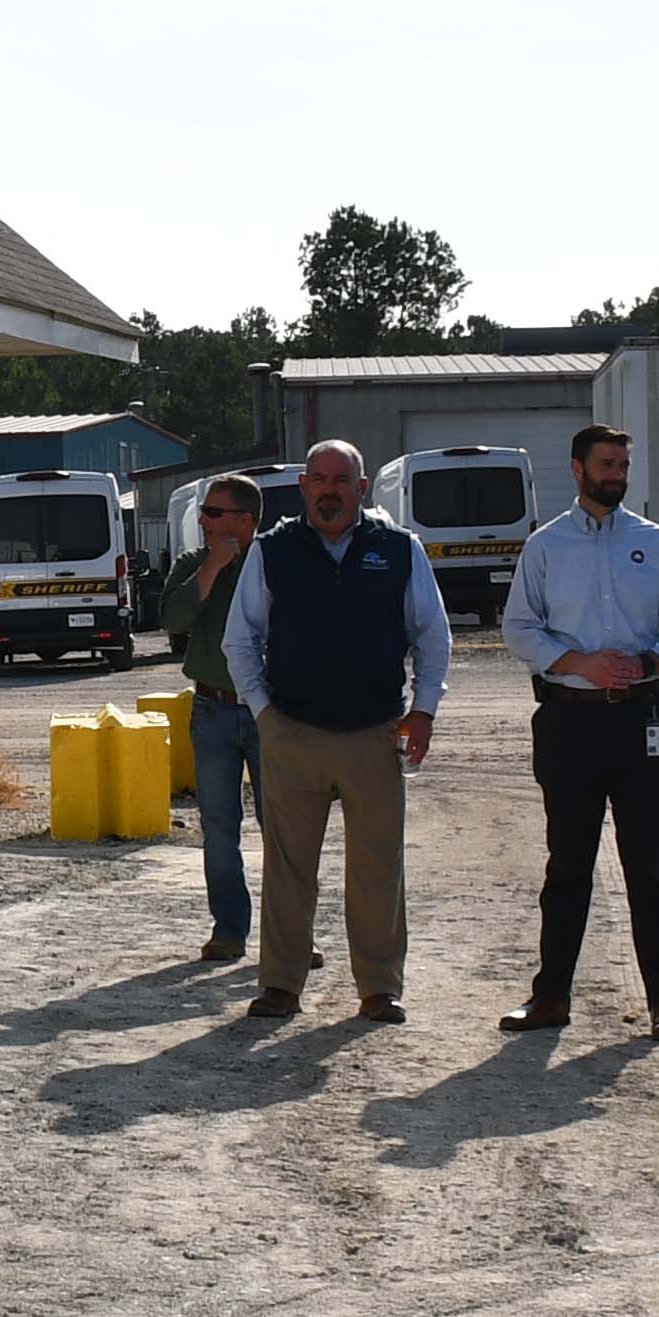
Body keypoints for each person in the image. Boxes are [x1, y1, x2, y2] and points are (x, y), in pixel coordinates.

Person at [222, 437, 453, 1028]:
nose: (329, 490)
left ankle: (379, 989)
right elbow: (240, 640)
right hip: (292, 731)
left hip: (376, 733)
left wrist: (423, 711)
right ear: (303, 487)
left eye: (341, 480)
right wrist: (264, 716)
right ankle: (280, 984)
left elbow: (432, 636)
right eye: (318, 479)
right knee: (287, 866)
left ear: (362, 487)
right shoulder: (273, 551)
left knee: (377, 866)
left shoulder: (399, 550)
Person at [499, 420, 659, 1038]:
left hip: (644, 720)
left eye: (622, 465)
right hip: (570, 723)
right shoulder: (545, 546)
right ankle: (550, 998)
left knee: (650, 870)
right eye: (606, 465)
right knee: (568, 866)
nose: (616, 475)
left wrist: (645, 662)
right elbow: (519, 629)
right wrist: (579, 663)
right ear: (577, 469)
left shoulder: (658, 544)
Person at [155, 472, 270, 969]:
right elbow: (171, 620)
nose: (203, 521)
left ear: (246, 521)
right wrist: (212, 569)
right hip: (212, 709)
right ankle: (228, 930)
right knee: (220, 828)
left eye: (214, 513)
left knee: (286, 827)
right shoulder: (191, 563)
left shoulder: (276, 560)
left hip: (270, 713)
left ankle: (293, 933)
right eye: (203, 512)